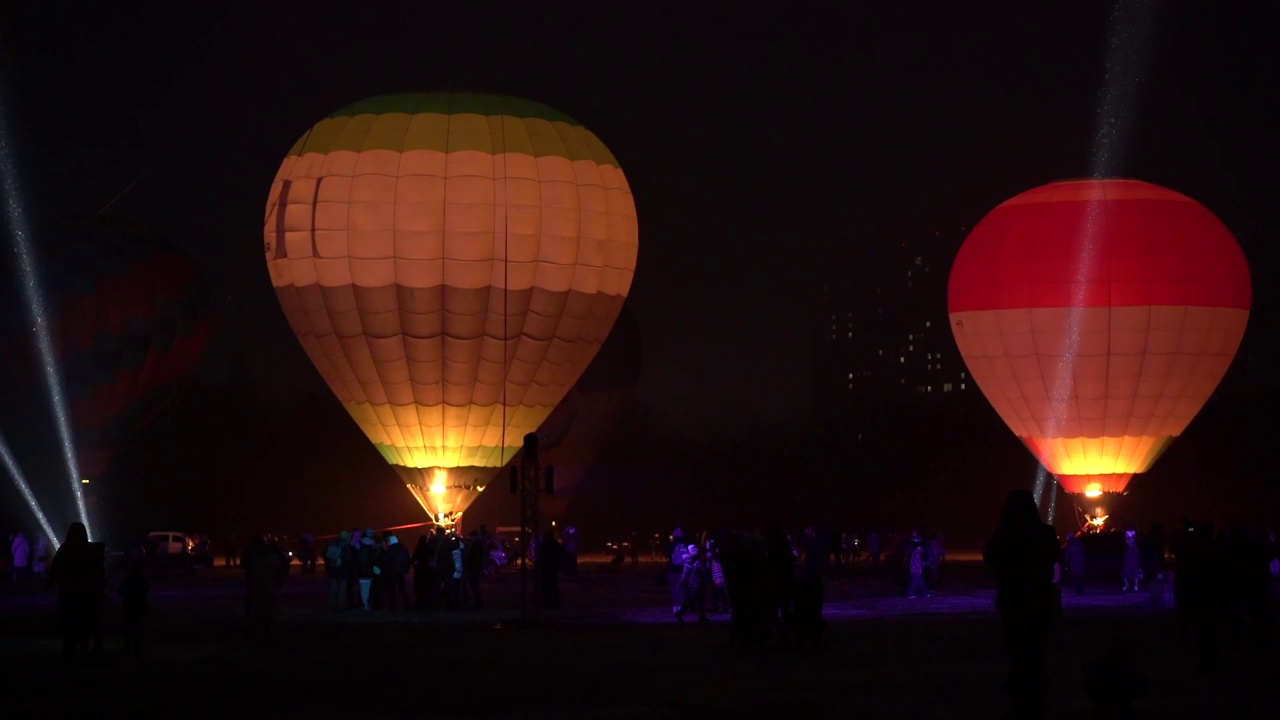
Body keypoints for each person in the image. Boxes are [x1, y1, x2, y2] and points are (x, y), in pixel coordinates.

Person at [984, 489, 1061, 719]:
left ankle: (1018, 694)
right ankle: (1037, 696)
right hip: (1039, 601)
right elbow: (1055, 557)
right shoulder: (1046, 533)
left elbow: (989, 557)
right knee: (1037, 652)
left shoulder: (1004, 533)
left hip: (1014, 601)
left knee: (1016, 650)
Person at [48, 522, 107, 656]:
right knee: (85, 621)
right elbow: (100, 570)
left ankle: (69, 649)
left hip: (68, 592)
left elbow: (56, 567)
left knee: (68, 621)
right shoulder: (91, 549)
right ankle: (84, 647)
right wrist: (101, 587)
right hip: (88, 592)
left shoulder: (65, 548)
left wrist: (50, 582)